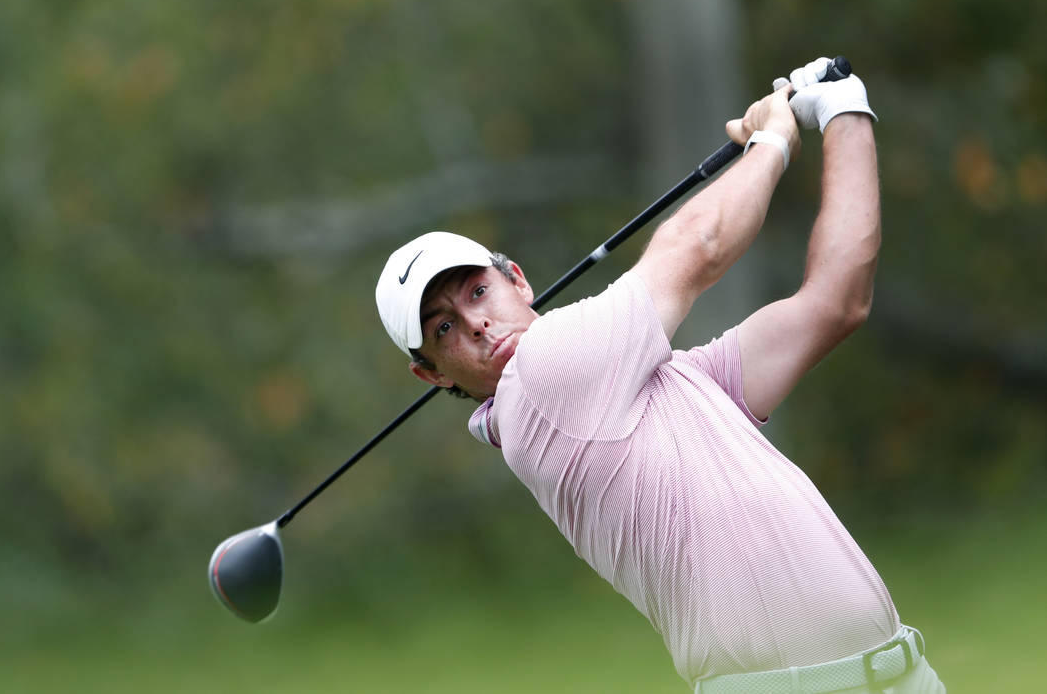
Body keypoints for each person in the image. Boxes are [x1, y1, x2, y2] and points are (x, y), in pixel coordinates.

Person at [375, 58, 946, 693]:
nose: (476, 324)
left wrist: (844, 112)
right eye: (444, 328)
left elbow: (836, 302)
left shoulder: (665, 384)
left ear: (518, 281)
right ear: (430, 374)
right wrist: (774, 138)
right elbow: (695, 248)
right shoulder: (540, 381)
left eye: (477, 292)